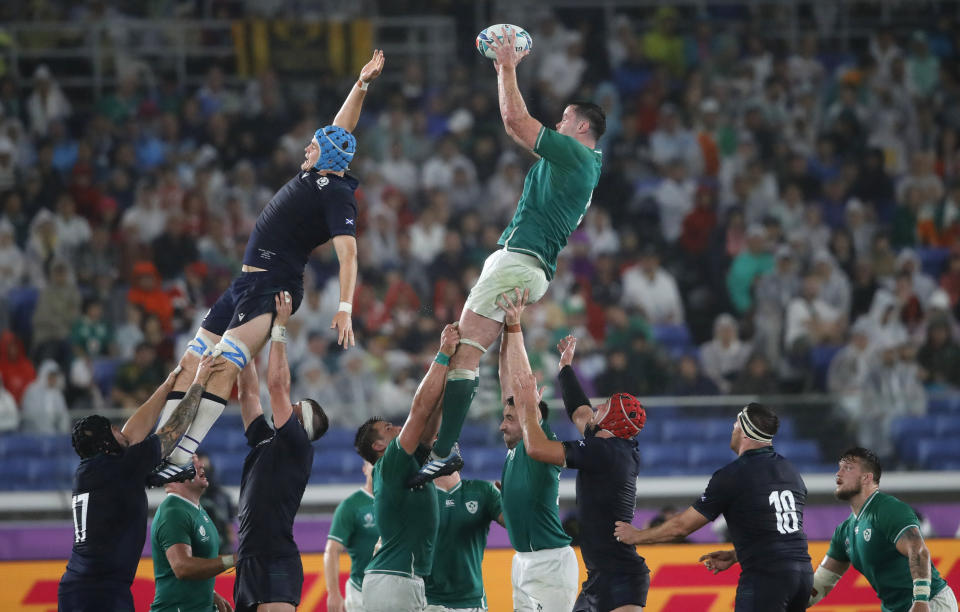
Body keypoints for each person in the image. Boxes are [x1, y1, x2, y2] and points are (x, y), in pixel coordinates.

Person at [148, 50, 385, 485]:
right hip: (245, 284)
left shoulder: (336, 193)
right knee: (189, 362)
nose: (307, 147)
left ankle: (181, 454)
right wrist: (362, 83)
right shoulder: (320, 172)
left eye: (315, 146)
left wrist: (346, 306)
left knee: (223, 365)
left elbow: (348, 253)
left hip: (274, 286)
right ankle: (160, 445)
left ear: (326, 157)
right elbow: (342, 128)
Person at [415, 28, 606, 486]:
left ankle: (444, 451)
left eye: (564, 119)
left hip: (519, 260)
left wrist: (506, 66)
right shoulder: (578, 167)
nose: (557, 124)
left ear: (582, 128)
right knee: (500, 357)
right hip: (531, 266)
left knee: (463, 352)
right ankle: (520, 443)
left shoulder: (576, 158)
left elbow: (515, 121)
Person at [500, 289, 649, 612]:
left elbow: (537, 447)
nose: (596, 407)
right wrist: (566, 368)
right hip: (600, 574)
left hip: (621, 576)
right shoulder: (611, 442)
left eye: (604, 406)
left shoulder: (604, 454)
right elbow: (580, 412)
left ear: (611, 420)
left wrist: (528, 407)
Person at [57, 354, 227, 612]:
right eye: (113, 430)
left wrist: (167, 385)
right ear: (106, 445)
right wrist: (199, 381)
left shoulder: (93, 469)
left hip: (83, 589)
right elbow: (171, 432)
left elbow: (131, 433)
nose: (121, 431)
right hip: (101, 594)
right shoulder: (116, 468)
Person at [614, 402, 813, 612]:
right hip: (802, 577)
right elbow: (780, 531)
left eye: (735, 425)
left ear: (745, 432)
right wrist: (738, 554)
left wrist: (637, 536)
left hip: (766, 577)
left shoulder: (733, 474)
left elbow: (681, 527)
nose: (732, 430)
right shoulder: (791, 471)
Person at [353, 322, 461, 612]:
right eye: (388, 428)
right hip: (396, 580)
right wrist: (442, 355)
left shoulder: (402, 465)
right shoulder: (389, 463)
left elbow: (427, 429)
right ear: (378, 446)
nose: (397, 427)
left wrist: (449, 376)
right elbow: (419, 411)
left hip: (399, 579)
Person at [233, 292, 330, 612]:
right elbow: (248, 393)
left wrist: (280, 328)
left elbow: (276, 385)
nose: (289, 405)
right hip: (249, 556)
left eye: (295, 407)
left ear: (300, 423)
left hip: (275, 556)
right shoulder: (268, 441)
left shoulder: (296, 445)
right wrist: (241, 341)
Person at [494, 291, 579, 612]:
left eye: (510, 419)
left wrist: (515, 325)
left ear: (534, 417)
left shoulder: (538, 442)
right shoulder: (517, 450)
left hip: (550, 565)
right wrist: (505, 330)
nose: (502, 426)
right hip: (523, 561)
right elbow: (508, 384)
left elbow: (518, 383)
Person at [808, 447, 958, 612]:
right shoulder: (844, 531)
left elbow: (918, 551)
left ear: (867, 478)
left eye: (848, 468)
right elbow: (822, 582)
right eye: (839, 467)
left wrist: (921, 600)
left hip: (930, 603)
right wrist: (788, 603)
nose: (838, 473)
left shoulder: (887, 509)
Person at [150, 454, 233, 612]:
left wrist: (210, 593)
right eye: (191, 462)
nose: (201, 464)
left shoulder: (195, 509)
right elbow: (182, 567)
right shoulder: (173, 512)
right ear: (172, 474)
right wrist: (234, 559)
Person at [424, 468, 503, 612]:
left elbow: (515, 525)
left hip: (472, 602)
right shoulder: (417, 496)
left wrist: (514, 504)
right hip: (428, 601)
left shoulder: (483, 491)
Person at [325, 460, 379, 612]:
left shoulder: (399, 502)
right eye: (373, 462)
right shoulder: (351, 505)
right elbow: (332, 550)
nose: (378, 466)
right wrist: (333, 593)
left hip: (394, 590)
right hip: (360, 593)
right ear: (364, 469)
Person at [197, 452, 237, 555]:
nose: (205, 474)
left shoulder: (223, 497)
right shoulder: (189, 499)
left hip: (222, 549)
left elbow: (229, 527)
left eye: (206, 469)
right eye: (200, 471)